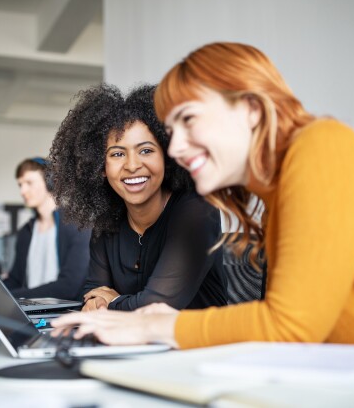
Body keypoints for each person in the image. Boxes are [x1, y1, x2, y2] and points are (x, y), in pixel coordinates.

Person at [51, 42, 354, 347]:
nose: (179, 147)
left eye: (190, 120)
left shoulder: (322, 149)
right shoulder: (282, 189)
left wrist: (155, 325)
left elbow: (291, 325)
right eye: (172, 131)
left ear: (251, 109)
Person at [49, 84, 228, 312]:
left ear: (168, 156)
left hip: (199, 345)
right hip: (132, 344)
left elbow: (158, 306)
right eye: (117, 154)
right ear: (100, 167)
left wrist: (113, 302)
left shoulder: (196, 212)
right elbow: (92, 297)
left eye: (146, 150)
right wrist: (103, 303)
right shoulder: (107, 224)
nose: (132, 165)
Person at [3, 157, 91, 300]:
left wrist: (11, 297)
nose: (23, 191)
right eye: (20, 185)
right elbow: (15, 280)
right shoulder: (26, 231)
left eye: (29, 183)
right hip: (29, 312)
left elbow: (69, 286)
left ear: (50, 182)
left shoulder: (78, 226)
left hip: (63, 315)